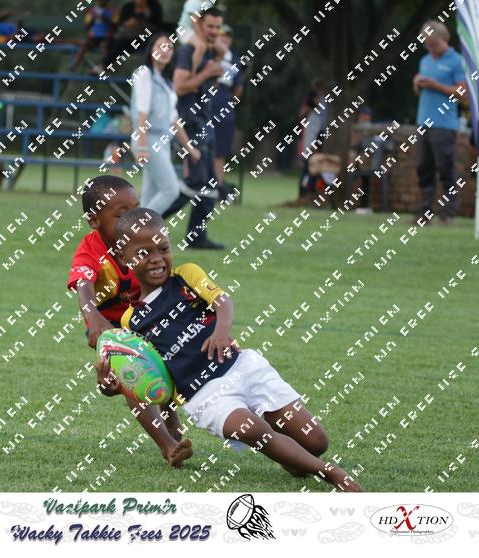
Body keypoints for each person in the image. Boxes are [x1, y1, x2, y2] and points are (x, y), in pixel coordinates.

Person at [97, 207, 364, 491]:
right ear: (123, 258)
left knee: (316, 442)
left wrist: (221, 330)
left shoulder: (186, 275)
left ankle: (295, 459)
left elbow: (222, 302)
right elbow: (151, 378)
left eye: (163, 248)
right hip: (205, 396)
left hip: (243, 368)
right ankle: (331, 473)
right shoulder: (131, 322)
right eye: (143, 253)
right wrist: (114, 388)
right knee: (252, 429)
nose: (156, 259)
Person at [67, 176, 193, 468]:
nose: (132, 220)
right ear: (94, 221)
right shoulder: (91, 249)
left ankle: (171, 421)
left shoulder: (143, 241)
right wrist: (92, 316)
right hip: (113, 330)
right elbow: (83, 283)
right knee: (134, 380)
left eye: (136, 209)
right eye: (121, 214)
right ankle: (168, 445)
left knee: (163, 371)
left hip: (149, 319)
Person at [167, 6, 225, 250]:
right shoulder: (189, 50)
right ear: (198, 24)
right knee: (195, 180)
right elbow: (180, 87)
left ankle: (196, 237)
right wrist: (207, 73)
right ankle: (144, 223)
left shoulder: (209, 49)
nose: (214, 31)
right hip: (190, 122)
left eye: (217, 27)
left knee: (210, 182)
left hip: (205, 120)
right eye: (209, 26)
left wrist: (214, 70)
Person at [130, 33, 200, 214]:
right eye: (160, 46)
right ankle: (136, 226)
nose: (165, 51)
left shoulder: (167, 82)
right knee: (171, 190)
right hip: (148, 140)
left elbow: (174, 120)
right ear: (151, 50)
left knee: (149, 196)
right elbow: (142, 113)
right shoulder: (144, 73)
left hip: (163, 142)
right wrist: (142, 146)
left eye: (169, 47)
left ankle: (138, 230)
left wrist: (189, 148)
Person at [412, 20, 466, 226]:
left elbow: (463, 93)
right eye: (427, 45)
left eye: (433, 44)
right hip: (423, 122)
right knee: (423, 167)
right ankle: (424, 213)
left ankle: (448, 213)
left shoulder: (457, 61)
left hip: (444, 124)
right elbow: (421, 93)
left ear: (444, 38)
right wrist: (417, 84)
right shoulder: (425, 61)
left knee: (445, 168)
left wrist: (437, 85)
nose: (430, 48)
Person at [213, 24, 243, 185]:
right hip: (204, 107)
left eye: (228, 36)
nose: (225, 39)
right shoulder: (207, 53)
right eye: (222, 35)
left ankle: (218, 187)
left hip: (223, 108)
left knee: (219, 152)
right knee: (196, 149)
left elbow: (238, 89)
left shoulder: (234, 59)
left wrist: (228, 104)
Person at [102, 0, 163, 70]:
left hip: (146, 36)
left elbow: (156, 25)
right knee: (115, 43)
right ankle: (104, 66)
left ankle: (152, 69)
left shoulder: (154, 6)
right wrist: (128, 24)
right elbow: (121, 23)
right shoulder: (128, 6)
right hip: (128, 36)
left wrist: (141, 23)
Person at [176, 0, 225, 77]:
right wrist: (205, 41)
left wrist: (214, 40)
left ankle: (214, 70)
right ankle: (193, 74)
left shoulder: (208, 3)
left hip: (197, 30)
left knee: (222, 50)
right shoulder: (192, 3)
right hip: (184, 30)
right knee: (201, 46)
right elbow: (195, 22)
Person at [72, 0, 115, 70]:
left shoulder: (111, 10)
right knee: (84, 45)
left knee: (104, 46)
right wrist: (93, 18)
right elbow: (87, 26)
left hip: (105, 37)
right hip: (93, 37)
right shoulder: (92, 11)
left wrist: (106, 19)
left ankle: (105, 67)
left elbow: (114, 25)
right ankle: (75, 65)